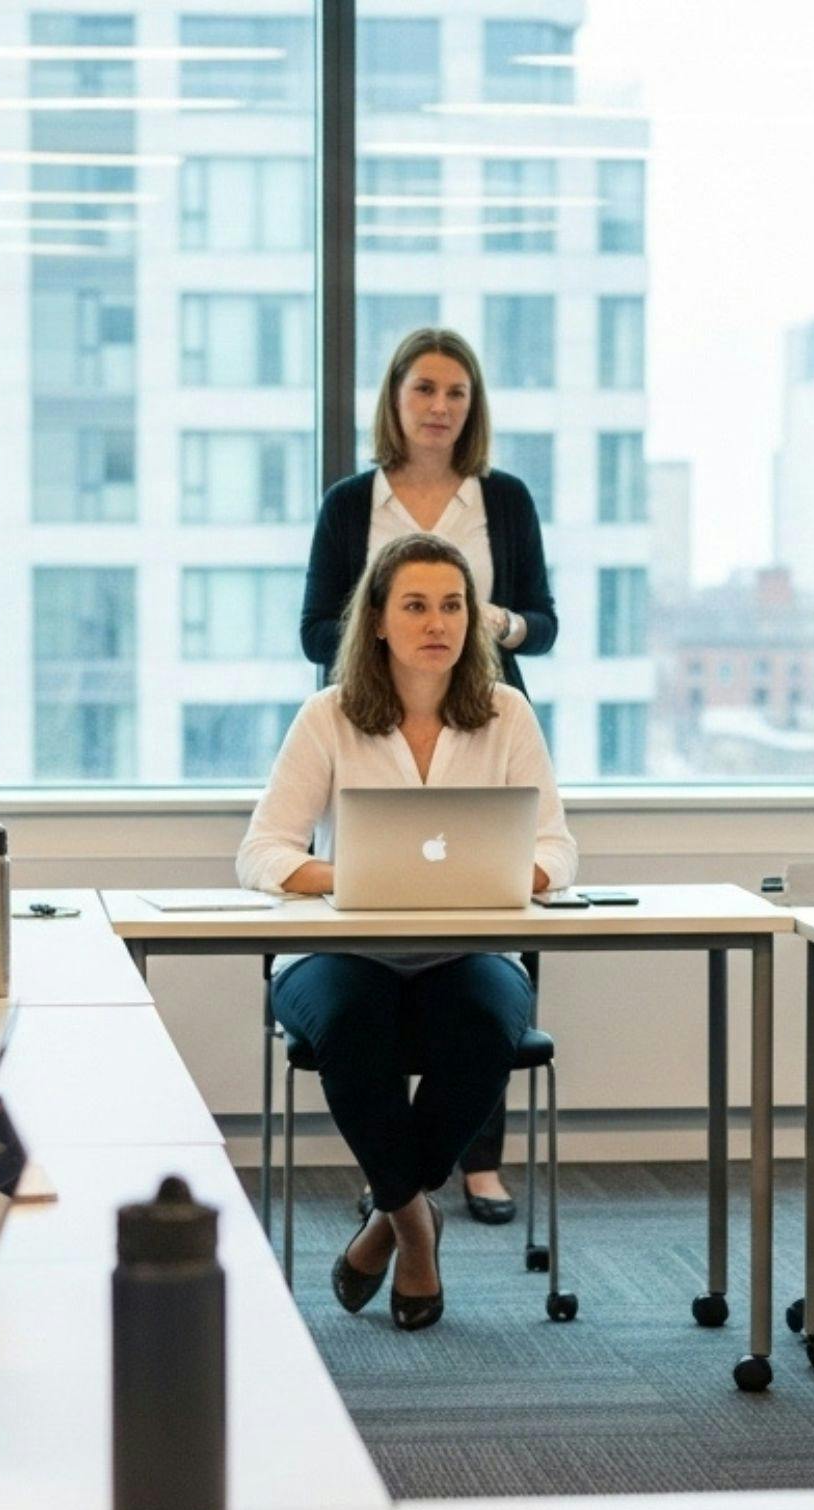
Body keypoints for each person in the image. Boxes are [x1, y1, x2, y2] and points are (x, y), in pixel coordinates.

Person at [241, 533, 576, 1329]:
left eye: (454, 605)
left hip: (461, 952)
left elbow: (556, 849)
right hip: (340, 952)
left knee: (489, 1024)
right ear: (380, 622)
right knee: (356, 1022)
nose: (439, 622)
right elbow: (262, 852)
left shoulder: (506, 713)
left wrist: (501, 875)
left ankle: (385, 1216)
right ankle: (414, 1227)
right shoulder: (328, 716)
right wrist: (360, 881)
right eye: (416, 605)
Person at [299, 327, 556, 1224]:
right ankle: (406, 1203)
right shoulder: (350, 504)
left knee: (486, 964)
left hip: (478, 712)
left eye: (457, 393)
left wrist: (486, 626)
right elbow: (311, 634)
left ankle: (465, 1166)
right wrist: (395, 647)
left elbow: (545, 623)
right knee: (364, 1004)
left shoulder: (505, 499)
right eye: (425, 390)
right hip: (372, 712)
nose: (441, 407)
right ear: (396, 400)